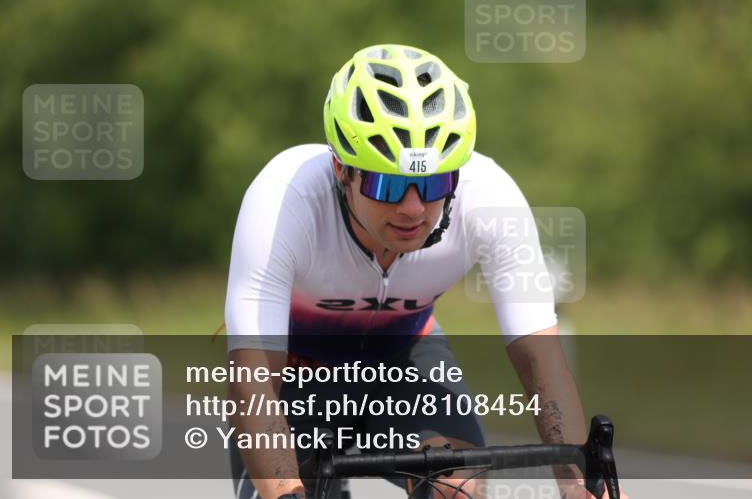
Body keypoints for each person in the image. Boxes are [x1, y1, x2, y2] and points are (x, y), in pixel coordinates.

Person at [225, 44, 609, 498]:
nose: (412, 208)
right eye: (387, 183)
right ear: (340, 170)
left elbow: (540, 362)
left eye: (433, 183)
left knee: (457, 486)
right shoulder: (283, 200)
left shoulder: (490, 198)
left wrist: (582, 486)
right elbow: (253, 378)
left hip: (405, 355)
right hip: (295, 368)